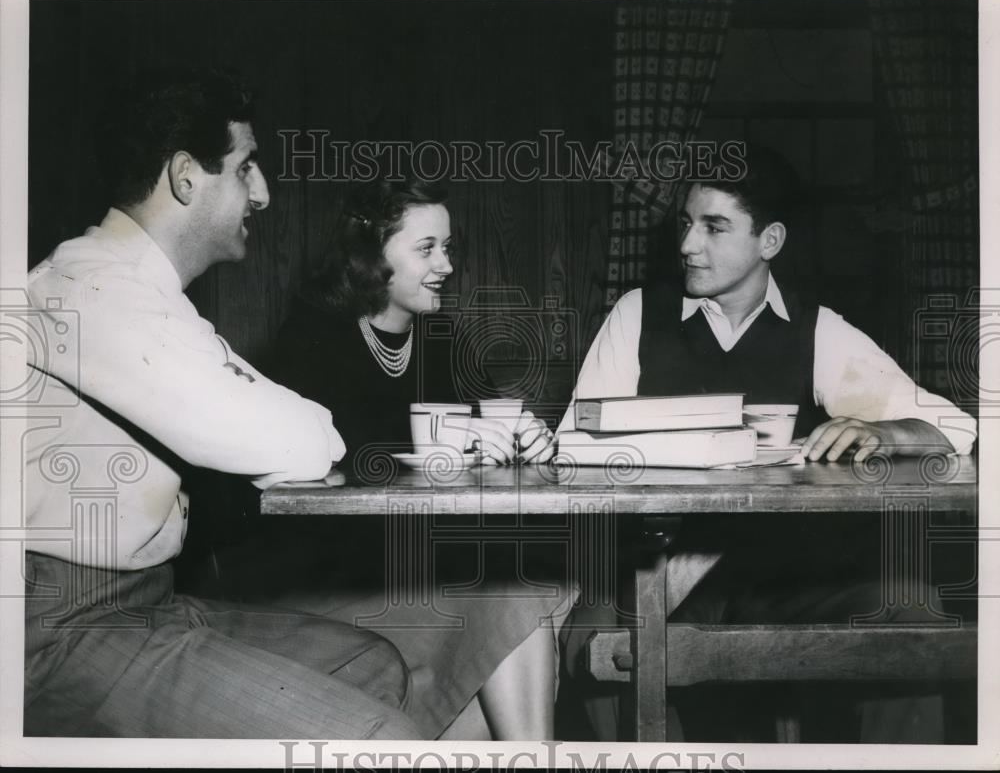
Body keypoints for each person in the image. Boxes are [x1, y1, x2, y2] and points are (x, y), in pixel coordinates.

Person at [22, 67, 423, 739]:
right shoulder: (87, 291)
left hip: (147, 603)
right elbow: (300, 442)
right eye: (246, 168)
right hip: (55, 633)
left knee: (368, 662)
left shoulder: (145, 296)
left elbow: (300, 430)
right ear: (185, 177)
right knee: (380, 744)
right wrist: (287, 433)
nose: (262, 194)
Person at [556, 145, 978, 741]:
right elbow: (571, 446)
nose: (687, 245)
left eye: (714, 227)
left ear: (769, 241)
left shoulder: (816, 330)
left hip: (784, 574)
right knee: (598, 642)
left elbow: (954, 427)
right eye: (685, 223)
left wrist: (882, 431)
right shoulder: (637, 315)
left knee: (909, 609)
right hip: (657, 569)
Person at [214, 177, 572, 741]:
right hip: (326, 581)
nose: (447, 265)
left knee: (525, 592)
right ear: (369, 256)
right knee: (515, 603)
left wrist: (527, 441)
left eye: (448, 247)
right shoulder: (313, 336)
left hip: (419, 567)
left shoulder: (442, 341)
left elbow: (492, 426)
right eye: (426, 248)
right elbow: (323, 462)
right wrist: (458, 447)